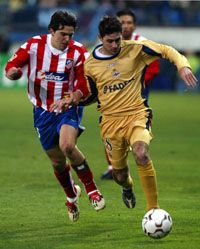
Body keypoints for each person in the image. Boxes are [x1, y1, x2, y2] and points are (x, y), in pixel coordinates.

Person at [50, 16, 197, 211]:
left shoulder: (136, 49)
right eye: (110, 41)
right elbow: (92, 95)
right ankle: (127, 187)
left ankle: (153, 210)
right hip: (111, 122)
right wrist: (73, 100)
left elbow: (166, 50)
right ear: (100, 38)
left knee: (141, 153)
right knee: (119, 175)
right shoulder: (90, 64)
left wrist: (183, 65)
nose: (115, 45)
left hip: (137, 114)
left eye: (118, 39)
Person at [5, 10, 105, 222]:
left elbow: (83, 85)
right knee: (58, 163)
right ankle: (71, 195)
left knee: (67, 146)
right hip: (42, 111)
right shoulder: (33, 45)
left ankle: (91, 189)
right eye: (63, 34)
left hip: (69, 107)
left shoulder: (78, 52)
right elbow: (12, 65)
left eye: (71, 34)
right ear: (51, 30)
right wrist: (13, 72)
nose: (68, 39)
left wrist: (73, 97)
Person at [101, 9, 160, 180]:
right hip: (112, 98)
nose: (126, 26)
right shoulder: (107, 46)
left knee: (134, 134)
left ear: (135, 25)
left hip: (136, 98)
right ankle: (114, 167)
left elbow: (154, 68)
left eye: (129, 22)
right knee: (110, 131)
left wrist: (133, 81)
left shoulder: (142, 43)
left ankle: (138, 158)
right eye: (122, 22)